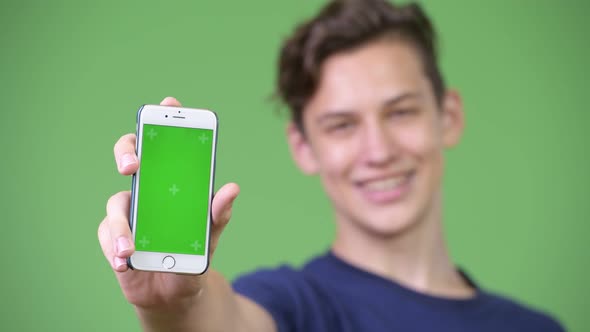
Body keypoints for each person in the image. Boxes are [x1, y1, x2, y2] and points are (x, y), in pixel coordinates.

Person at [98, 0, 565, 331]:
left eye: (400, 111)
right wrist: (170, 309)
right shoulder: (290, 305)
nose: (378, 150)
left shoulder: (538, 328)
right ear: (303, 146)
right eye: (342, 125)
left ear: (449, 116)